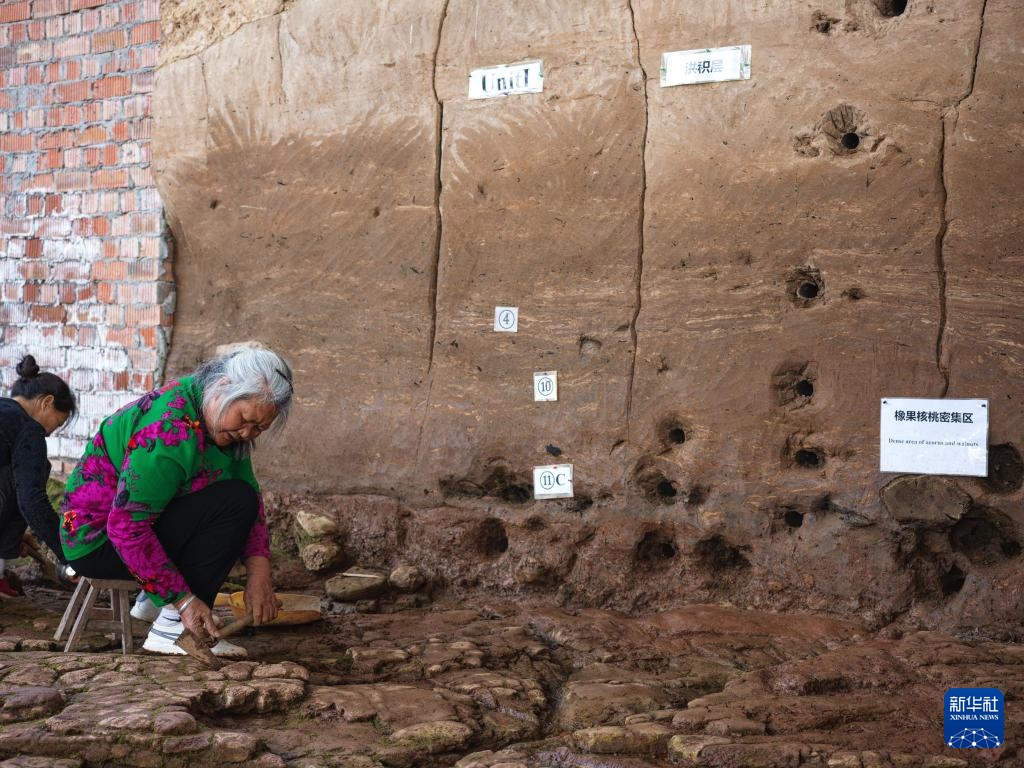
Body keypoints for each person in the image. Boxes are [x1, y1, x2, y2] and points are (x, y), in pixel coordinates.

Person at [60, 345, 294, 656]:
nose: (247, 432)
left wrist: (259, 572)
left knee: (239, 496)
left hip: (134, 530)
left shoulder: (216, 416)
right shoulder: (169, 432)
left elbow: (249, 492)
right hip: (99, 542)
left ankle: (153, 602)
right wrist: (183, 600)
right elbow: (125, 527)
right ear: (223, 387)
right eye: (245, 418)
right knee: (232, 502)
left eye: (259, 428)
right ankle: (173, 625)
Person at [0, 355, 76, 598]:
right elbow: (31, 501)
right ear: (47, 402)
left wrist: (12, 536)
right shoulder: (27, 427)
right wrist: (67, 553)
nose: (50, 433)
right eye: (58, 422)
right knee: (37, 470)